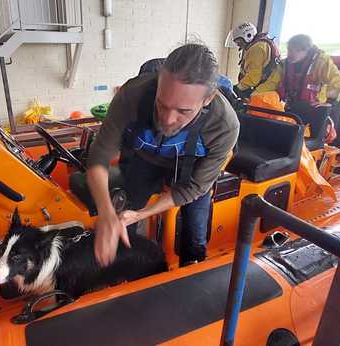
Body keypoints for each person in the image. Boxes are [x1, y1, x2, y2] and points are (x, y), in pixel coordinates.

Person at [86, 44, 239, 267]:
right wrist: (107, 213)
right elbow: (99, 156)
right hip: (145, 160)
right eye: (161, 104)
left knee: (195, 234)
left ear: (208, 99)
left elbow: (194, 188)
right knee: (121, 217)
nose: (167, 120)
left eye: (184, 111)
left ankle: (191, 268)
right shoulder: (132, 95)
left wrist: (142, 215)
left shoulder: (224, 125)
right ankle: (121, 270)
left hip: (191, 170)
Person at [257, 34, 340, 147]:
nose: (291, 54)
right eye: (290, 50)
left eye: (297, 51)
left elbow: (338, 82)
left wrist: (330, 102)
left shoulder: (321, 63)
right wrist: (254, 96)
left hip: (313, 113)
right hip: (290, 110)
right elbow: (271, 83)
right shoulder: (284, 65)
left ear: (307, 51)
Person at [228, 22, 280, 101]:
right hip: (266, 87)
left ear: (248, 36)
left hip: (263, 90)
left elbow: (254, 76)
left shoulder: (257, 49)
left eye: (239, 42)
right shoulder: (261, 44)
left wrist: (238, 88)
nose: (238, 45)